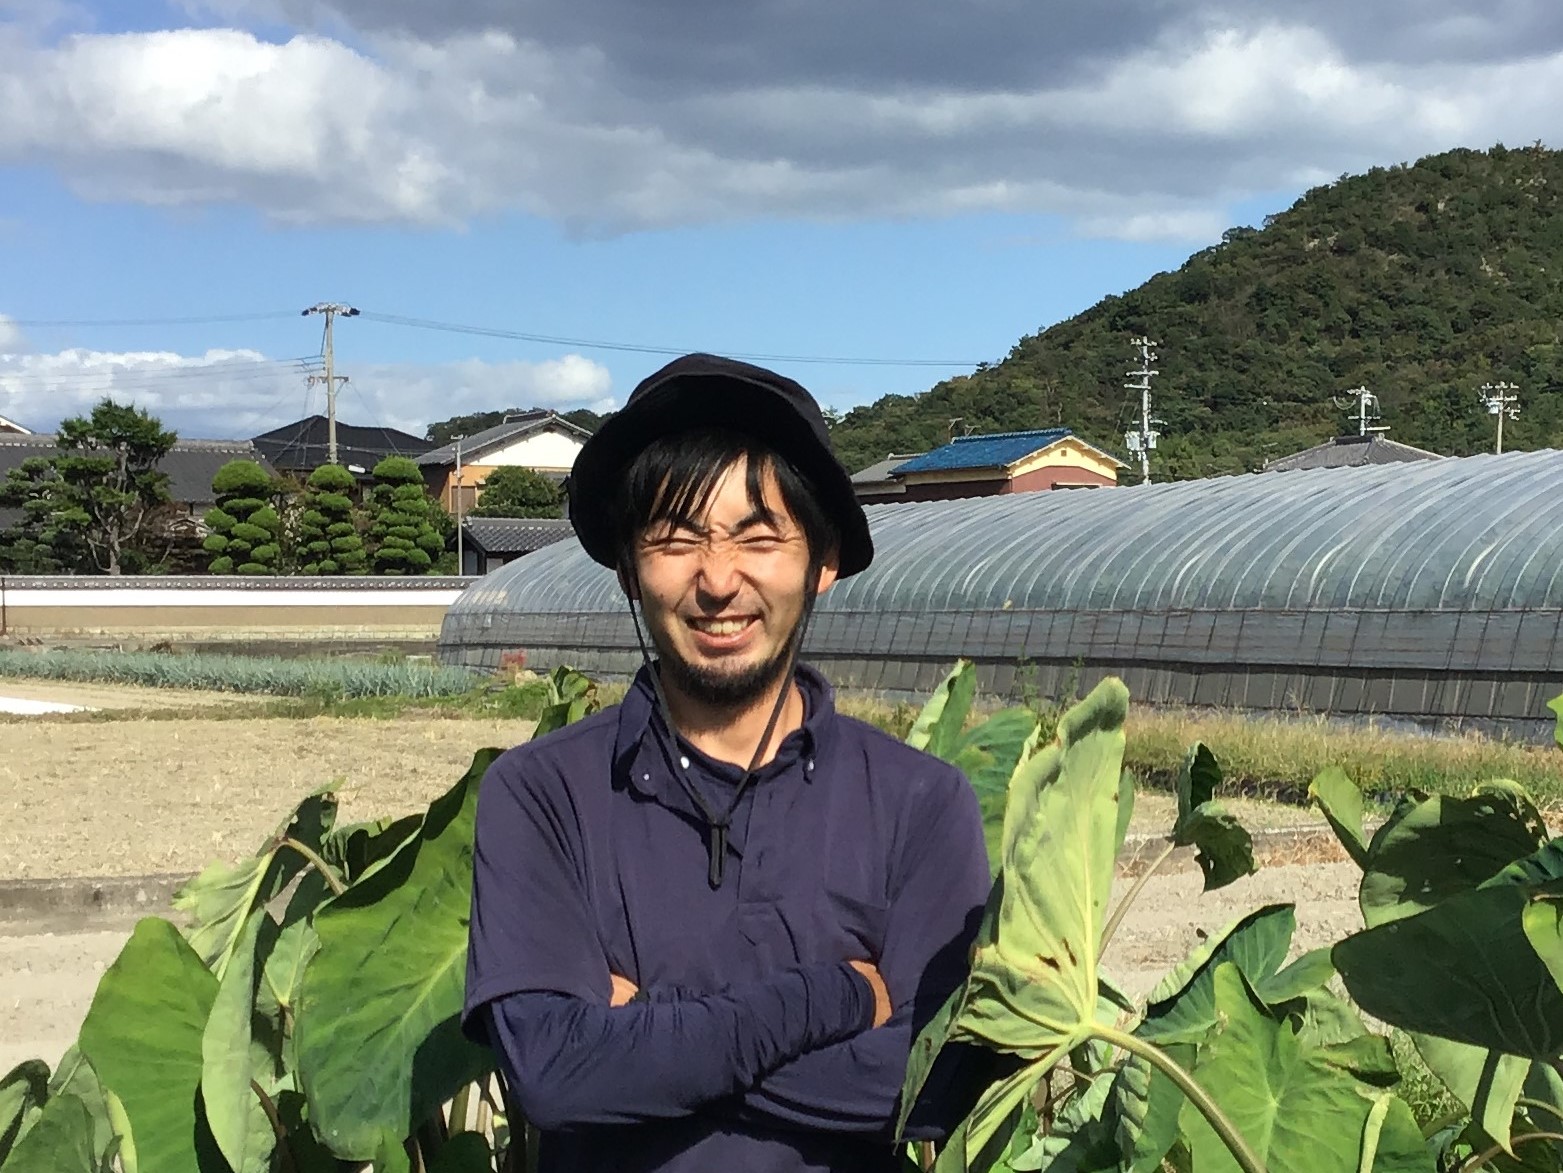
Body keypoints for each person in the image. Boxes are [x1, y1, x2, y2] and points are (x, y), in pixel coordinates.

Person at [462, 353, 993, 1172]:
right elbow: (556, 1074)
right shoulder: (542, 795)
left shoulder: (918, 803)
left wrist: (646, 1024)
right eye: (675, 541)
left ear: (821, 563)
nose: (716, 580)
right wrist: (839, 996)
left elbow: (937, 1085)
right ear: (630, 573)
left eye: (758, 536)